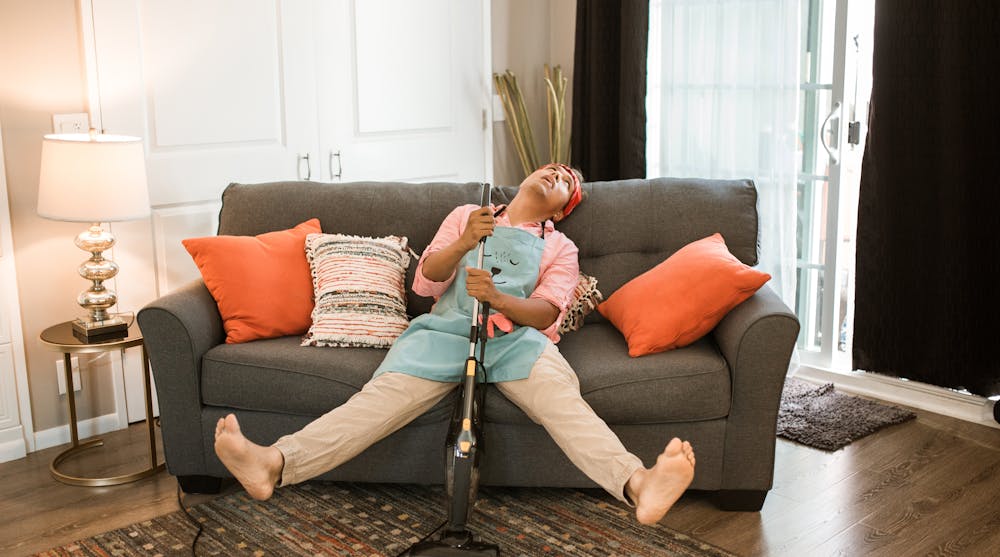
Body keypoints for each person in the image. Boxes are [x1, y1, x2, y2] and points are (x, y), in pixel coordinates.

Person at [214, 163, 696, 525]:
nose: (555, 174)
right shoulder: (467, 215)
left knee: (563, 404)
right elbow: (426, 281)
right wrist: (465, 242)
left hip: (516, 341)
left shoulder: (559, 247)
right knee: (374, 405)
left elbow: (548, 311)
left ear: (561, 209)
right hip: (445, 333)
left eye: (566, 181)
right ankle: (273, 464)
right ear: (526, 177)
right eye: (551, 168)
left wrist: (499, 300)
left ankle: (640, 485)